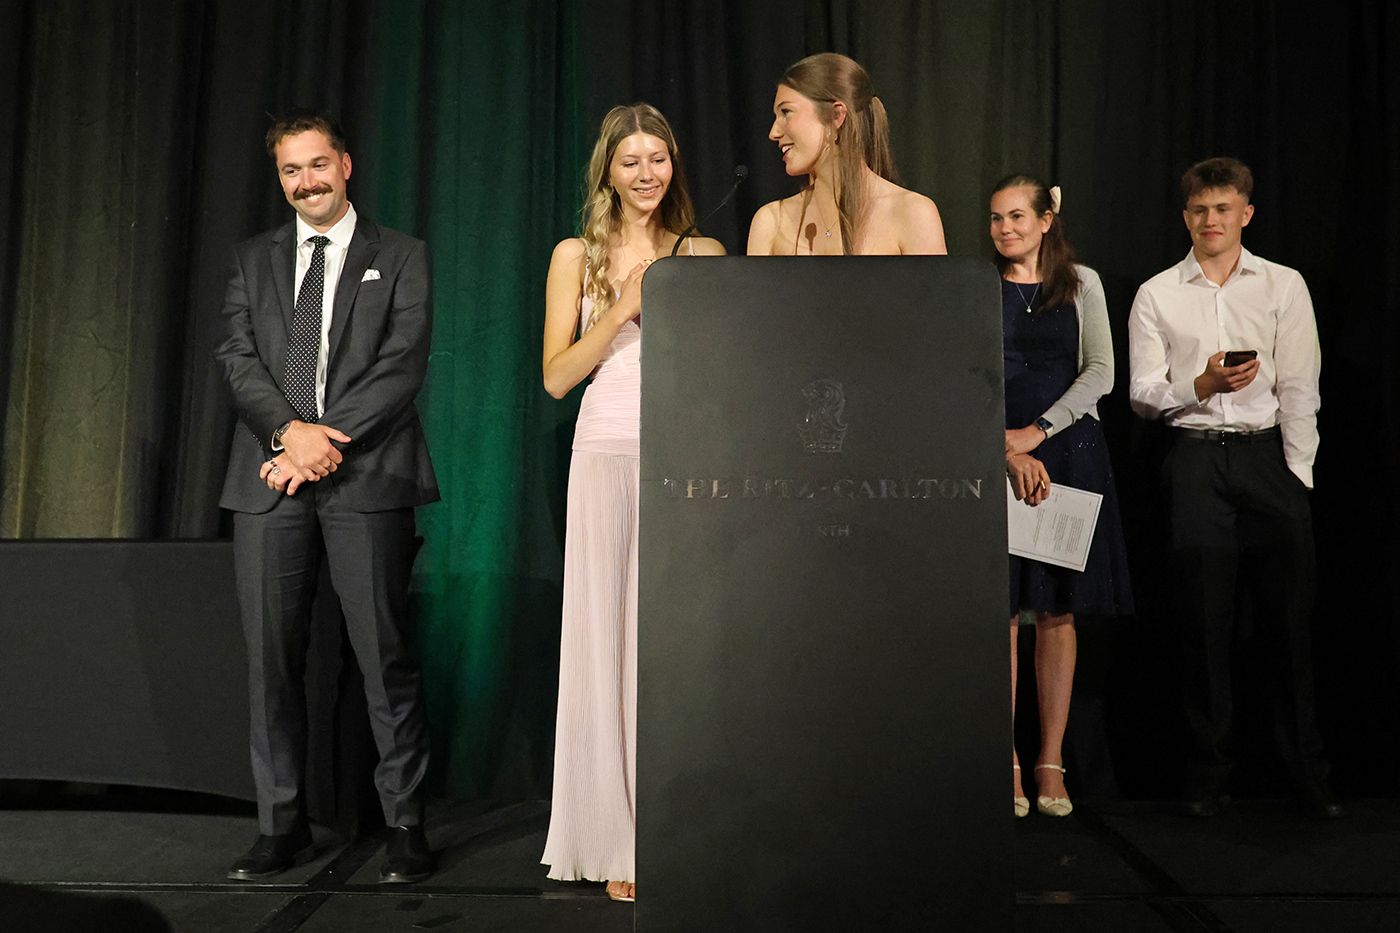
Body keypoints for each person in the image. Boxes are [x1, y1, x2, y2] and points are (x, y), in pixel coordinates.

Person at [213, 111, 439, 882]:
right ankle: (281, 824)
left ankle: (404, 821)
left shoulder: (400, 254)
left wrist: (319, 443)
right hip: (269, 477)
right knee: (271, 663)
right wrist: (289, 433)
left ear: (345, 164)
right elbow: (237, 357)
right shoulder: (252, 259)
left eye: (317, 164)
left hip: (367, 473)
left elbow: (401, 364)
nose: (306, 181)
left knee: (384, 654)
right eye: (291, 170)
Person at [540, 103, 724, 903]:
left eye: (658, 158)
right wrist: (621, 306)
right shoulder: (575, 255)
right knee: (605, 638)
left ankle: (678, 828)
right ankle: (616, 837)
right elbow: (556, 376)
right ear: (607, 172)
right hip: (606, 451)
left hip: (688, 461)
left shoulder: (705, 252)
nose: (647, 173)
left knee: (675, 645)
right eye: (630, 161)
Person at [1127, 157, 1336, 818]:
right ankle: (1208, 773)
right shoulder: (1158, 293)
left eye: (1222, 209)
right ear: (1185, 215)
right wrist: (1204, 384)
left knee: (1287, 625)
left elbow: (1299, 384)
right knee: (1203, 623)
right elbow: (1142, 394)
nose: (1210, 220)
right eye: (1199, 210)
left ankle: (1302, 773)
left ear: (1246, 212)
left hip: (1267, 457)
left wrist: (1297, 473)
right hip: (1195, 458)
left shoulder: (1282, 284)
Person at [992, 176, 1133, 819]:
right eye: (996, 218)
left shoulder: (1082, 283)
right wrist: (1007, 449)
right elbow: (965, 373)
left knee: (1057, 610)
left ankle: (1050, 760)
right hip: (996, 453)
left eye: (1017, 216)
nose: (1005, 229)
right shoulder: (978, 286)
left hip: (1069, 453)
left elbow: (1100, 371)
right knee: (999, 612)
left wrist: (1040, 431)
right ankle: (1004, 761)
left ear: (1046, 219)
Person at [747, 52, 946, 256]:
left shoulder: (912, 214)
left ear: (836, 116)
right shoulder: (771, 222)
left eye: (786, 112)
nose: (773, 133)